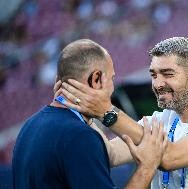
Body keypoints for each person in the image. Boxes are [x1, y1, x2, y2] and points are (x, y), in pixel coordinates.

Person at [60, 37, 188, 188]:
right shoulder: (158, 121)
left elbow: (170, 158)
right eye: (153, 75)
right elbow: (110, 155)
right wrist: (85, 112)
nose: (158, 84)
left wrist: (106, 112)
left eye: (168, 74)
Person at [12, 39, 167, 189]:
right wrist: (147, 167)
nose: (112, 87)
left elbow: (110, 153)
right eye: (111, 78)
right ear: (96, 79)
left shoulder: (30, 125)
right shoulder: (79, 136)